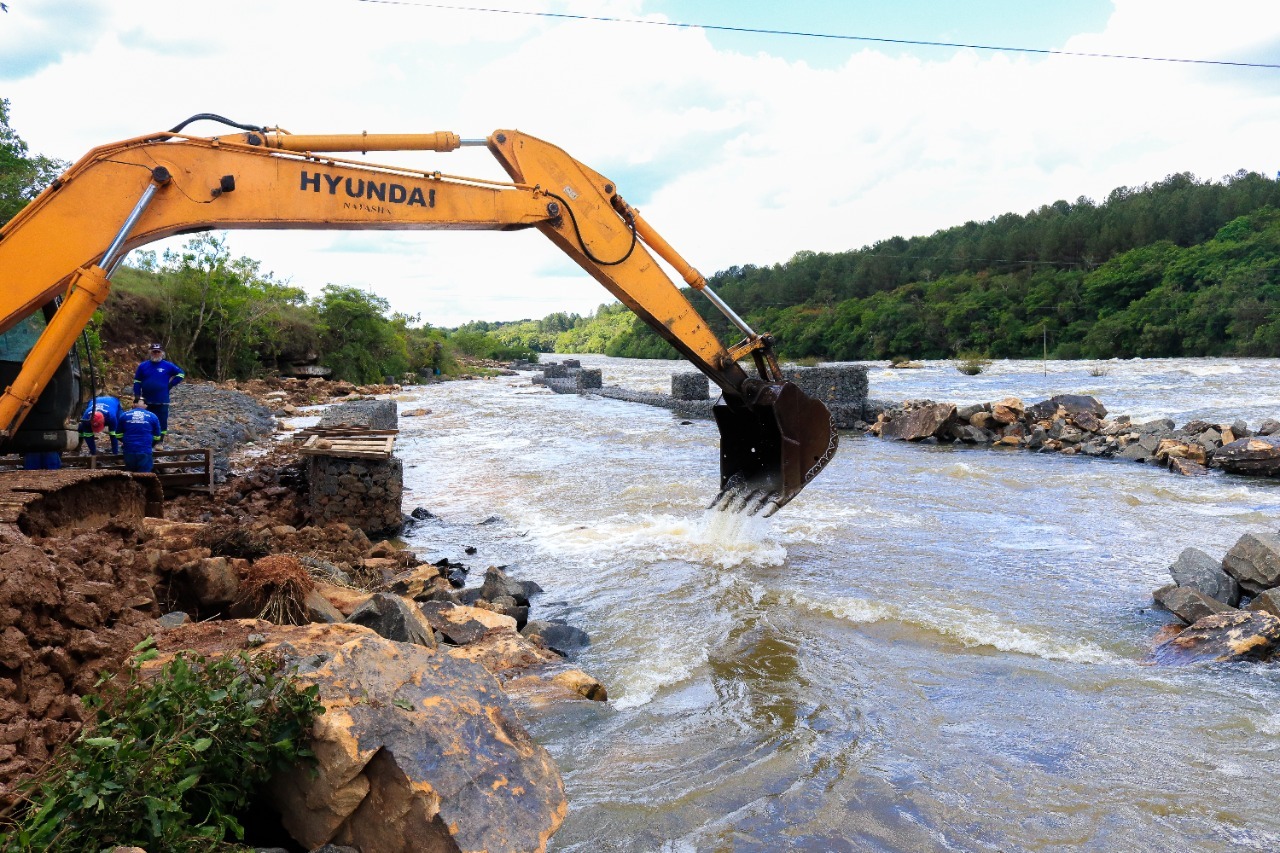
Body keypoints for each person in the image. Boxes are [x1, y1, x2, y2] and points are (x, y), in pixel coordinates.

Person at [132, 343, 184, 440]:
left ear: (162, 353)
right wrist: (137, 396)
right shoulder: (143, 366)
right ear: (150, 353)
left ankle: (160, 441)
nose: (156, 353)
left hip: (162, 399)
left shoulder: (168, 365)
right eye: (154, 351)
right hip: (146, 400)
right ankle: (146, 439)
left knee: (162, 421)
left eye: (158, 352)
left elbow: (181, 374)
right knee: (145, 419)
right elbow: (137, 381)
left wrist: (171, 384)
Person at [119, 398, 162, 473]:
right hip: (145, 450)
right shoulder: (153, 416)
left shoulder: (124, 415)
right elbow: (157, 436)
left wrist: (126, 442)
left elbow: (118, 434)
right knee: (144, 475)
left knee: (131, 474)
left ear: (133, 405)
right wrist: (151, 445)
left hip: (129, 450)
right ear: (146, 406)